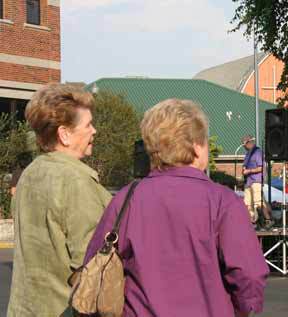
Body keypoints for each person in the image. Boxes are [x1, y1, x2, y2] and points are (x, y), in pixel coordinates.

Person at [85, 99, 269, 317]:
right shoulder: (224, 202)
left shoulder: (125, 200)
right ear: (198, 147)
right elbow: (248, 274)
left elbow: (95, 266)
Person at [7, 84, 112, 317]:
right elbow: (92, 264)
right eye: (88, 125)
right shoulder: (76, 181)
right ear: (64, 134)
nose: (94, 131)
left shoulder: (30, 174)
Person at [242, 134, 274, 230]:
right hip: (248, 182)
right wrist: (244, 170)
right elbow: (245, 166)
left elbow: (261, 168)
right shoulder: (248, 154)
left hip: (256, 181)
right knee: (247, 204)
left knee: (258, 202)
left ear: (249, 142)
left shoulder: (258, 152)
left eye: (244, 144)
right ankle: (252, 223)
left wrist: (249, 171)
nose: (243, 146)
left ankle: (268, 220)